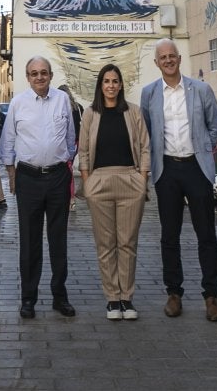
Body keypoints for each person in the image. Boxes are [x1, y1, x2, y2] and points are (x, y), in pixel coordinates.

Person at [139, 39, 217, 321]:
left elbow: (214, 125)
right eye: (162, 57)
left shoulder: (200, 89)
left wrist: (203, 148)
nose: (168, 60)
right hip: (168, 171)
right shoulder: (149, 93)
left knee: (206, 235)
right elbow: (148, 131)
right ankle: (174, 293)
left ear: (179, 58)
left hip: (196, 167)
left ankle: (211, 296)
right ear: (156, 63)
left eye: (172, 56)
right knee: (169, 235)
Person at [0, 57, 78, 319]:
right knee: (29, 241)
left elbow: (70, 136)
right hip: (28, 179)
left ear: (51, 75)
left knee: (58, 239)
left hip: (57, 178)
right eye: (34, 73)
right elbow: (8, 139)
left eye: (44, 73)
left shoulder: (62, 100)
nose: (39, 77)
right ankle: (28, 298)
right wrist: (11, 173)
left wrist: (67, 164)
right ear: (27, 76)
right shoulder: (18, 103)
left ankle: (59, 296)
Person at [79, 63, 150, 321]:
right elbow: (84, 150)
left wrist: (141, 179)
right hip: (99, 182)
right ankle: (112, 299)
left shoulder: (133, 112)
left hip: (130, 180)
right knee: (106, 244)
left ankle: (126, 298)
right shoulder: (90, 114)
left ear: (121, 85)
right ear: (101, 85)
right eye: (106, 81)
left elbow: (144, 147)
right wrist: (88, 182)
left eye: (115, 81)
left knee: (127, 242)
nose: (111, 85)